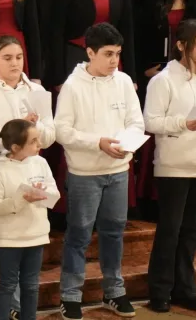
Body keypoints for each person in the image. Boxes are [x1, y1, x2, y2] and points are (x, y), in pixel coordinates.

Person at [0, 35, 56, 320]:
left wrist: (35, 126)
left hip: (29, 175)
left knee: (22, 246)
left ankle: (15, 307)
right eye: (7, 58)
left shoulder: (36, 91)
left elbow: (50, 136)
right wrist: (11, 140)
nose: (15, 63)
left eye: (18, 57)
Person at [54, 22, 143, 320]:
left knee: (114, 232)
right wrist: (98, 143)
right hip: (84, 173)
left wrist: (128, 143)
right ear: (90, 53)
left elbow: (136, 122)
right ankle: (70, 295)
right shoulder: (73, 86)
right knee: (79, 234)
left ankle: (113, 291)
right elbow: (62, 131)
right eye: (107, 54)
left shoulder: (123, 81)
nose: (114, 60)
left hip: (118, 170)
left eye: (117, 53)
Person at [144, 19, 196, 313]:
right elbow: (151, 121)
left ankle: (185, 288)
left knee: (191, 230)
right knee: (170, 230)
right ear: (182, 46)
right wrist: (183, 122)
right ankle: (159, 290)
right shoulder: (163, 81)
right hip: (173, 166)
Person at [0, 119, 60, 320]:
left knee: (31, 285)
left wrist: (44, 195)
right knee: (8, 284)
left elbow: (54, 191)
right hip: (10, 238)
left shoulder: (40, 163)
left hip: (36, 234)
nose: (39, 144)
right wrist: (20, 199)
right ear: (16, 147)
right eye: (34, 141)